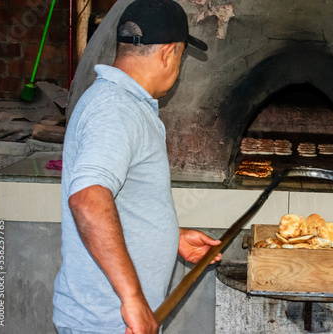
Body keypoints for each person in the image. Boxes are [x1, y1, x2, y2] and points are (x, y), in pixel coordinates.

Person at [52, 0, 221, 333]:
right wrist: (132, 298)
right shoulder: (115, 109)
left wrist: (168, 236)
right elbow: (88, 200)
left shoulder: (120, 102)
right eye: (182, 55)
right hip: (107, 322)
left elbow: (119, 202)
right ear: (169, 52)